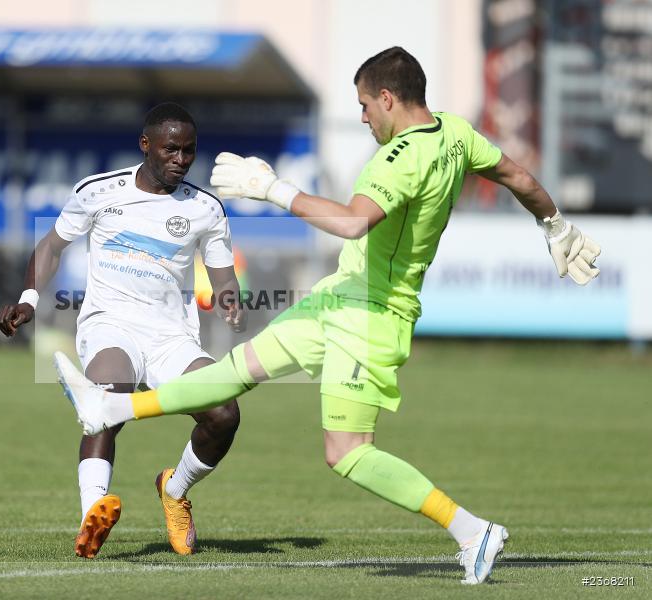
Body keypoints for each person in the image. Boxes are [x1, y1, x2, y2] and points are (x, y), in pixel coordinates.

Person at [54, 48, 602, 583]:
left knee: (347, 454)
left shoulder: (397, 157)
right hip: (337, 297)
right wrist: (554, 225)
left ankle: (470, 530)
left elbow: (351, 223)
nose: (363, 118)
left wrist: (274, 189)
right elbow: (518, 176)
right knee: (228, 377)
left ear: (387, 98)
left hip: (371, 317)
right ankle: (109, 408)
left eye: (365, 105)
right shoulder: (456, 132)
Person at [0, 102, 244, 559]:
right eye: (171, 149)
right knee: (107, 395)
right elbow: (52, 247)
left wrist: (229, 299)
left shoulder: (206, 209)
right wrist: (29, 300)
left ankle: (176, 490)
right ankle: (94, 512)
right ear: (145, 145)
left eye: (189, 151)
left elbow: (222, 273)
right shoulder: (98, 191)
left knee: (224, 414)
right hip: (110, 323)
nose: (181, 159)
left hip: (173, 337)